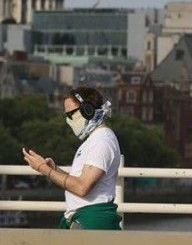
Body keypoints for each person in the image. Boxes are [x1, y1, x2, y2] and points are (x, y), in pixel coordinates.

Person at [22, 87, 122, 230]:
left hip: (93, 223)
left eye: (71, 114)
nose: (68, 120)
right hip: (84, 221)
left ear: (87, 110)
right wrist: (54, 170)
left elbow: (82, 187)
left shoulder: (102, 141)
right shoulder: (93, 141)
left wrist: (44, 169)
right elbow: (78, 181)